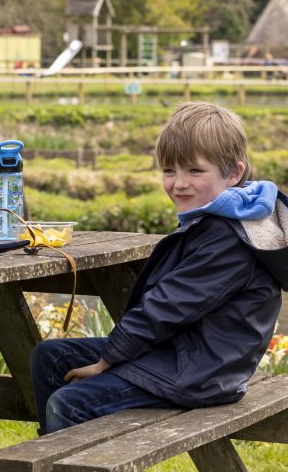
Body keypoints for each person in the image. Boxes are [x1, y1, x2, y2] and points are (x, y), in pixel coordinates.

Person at [30, 102, 287, 435]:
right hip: (180, 356)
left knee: (70, 403)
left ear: (234, 173)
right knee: (51, 356)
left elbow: (168, 304)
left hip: (202, 374)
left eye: (195, 171)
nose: (179, 184)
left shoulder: (231, 236)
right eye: (169, 171)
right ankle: (52, 466)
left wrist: (108, 360)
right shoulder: (221, 217)